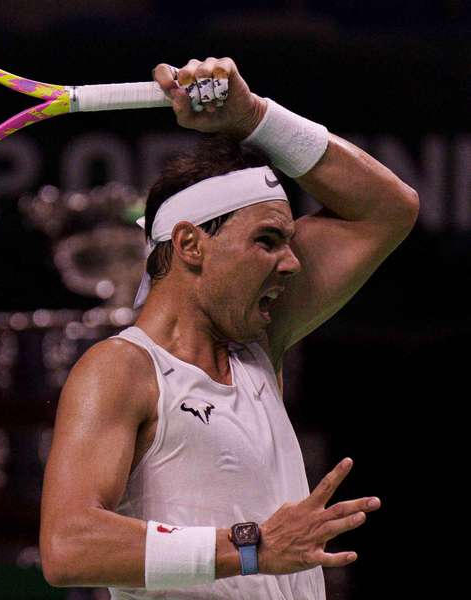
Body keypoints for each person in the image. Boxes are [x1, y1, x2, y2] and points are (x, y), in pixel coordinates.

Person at [39, 57, 418, 599]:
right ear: (192, 244)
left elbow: (389, 208)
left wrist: (254, 117)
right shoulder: (121, 370)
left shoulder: (257, 346)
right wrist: (252, 547)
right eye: (267, 241)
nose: (290, 263)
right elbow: (68, 545)